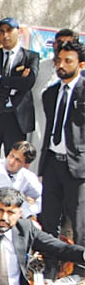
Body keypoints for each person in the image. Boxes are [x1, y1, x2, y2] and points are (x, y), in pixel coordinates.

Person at [38, 40, 85, 251]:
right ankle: (49, 265)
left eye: (68, 61)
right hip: (52, 163)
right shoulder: (50, 93)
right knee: (49, 218)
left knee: (79, 221)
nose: (61, 65)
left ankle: (80, 270)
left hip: (77, 166)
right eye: (58, 60)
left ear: (81, 65)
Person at [0, 18, 39, 157]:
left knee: (15, 159)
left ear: (19, 32)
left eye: (9, 30)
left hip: (15, 116)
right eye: (1, 31)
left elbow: (28, 83)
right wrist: (13, 86)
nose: (5, 35)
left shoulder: (30, 57)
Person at [31, 29, 78, 149]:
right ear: (53, 44)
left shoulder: (76, 76)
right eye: (59, 42)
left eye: (67, 43)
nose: (62, 46)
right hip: (35, 128)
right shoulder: (39, 67)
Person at [4, 141, 42, 218]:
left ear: (26, 165)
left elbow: (44, 198)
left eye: (18, 160)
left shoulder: (28, 177)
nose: (11, 162)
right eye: (11, 156)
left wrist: (29, 211)